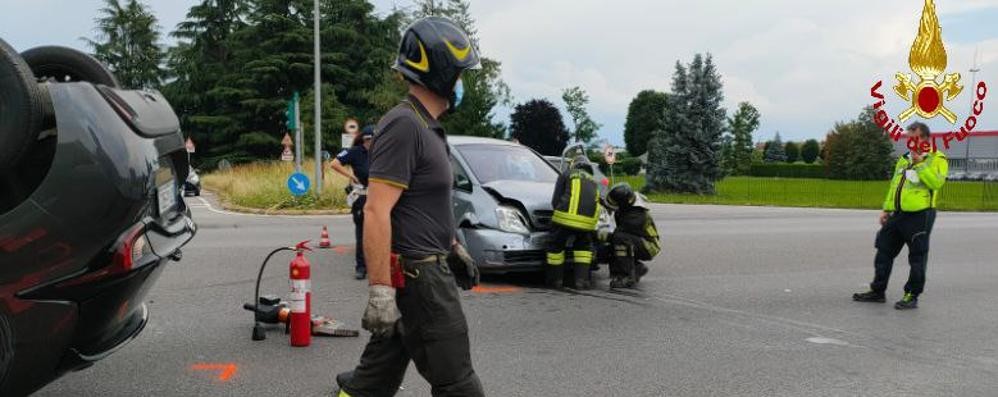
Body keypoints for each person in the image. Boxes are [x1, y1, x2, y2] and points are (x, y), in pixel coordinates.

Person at [335, 17, 484, 397]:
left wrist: (452, 245)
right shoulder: (404, 125)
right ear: (442, 72)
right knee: (458, 385)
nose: (463, 82)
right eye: (461, 73)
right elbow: (376, 210)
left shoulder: (428, 127)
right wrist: (381, 291)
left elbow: (425, 202)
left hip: (428, 268)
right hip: (420, 279)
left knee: (373, 380)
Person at [853, 122, 948, 310]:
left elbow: (936, 183)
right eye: (908, 138)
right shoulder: (904, 159)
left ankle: (911, 295)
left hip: (921, 214)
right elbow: (895, 186)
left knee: (917, 257)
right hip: (898, 214)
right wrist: (886, 209)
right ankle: (878, 291)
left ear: (926, 138)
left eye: (915, 137)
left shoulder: (938, 158)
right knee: (883, 250)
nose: (911, 142)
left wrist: (920, 163)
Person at [546, 155, 601, 290]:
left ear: (573, 165)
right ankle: (581, 281)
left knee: (555, 247)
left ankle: (556, 280)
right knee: (583, 249)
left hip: (564, 219)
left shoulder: (567, 174)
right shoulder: (594, 180)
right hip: (587, 223)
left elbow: (555, 200)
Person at [331, 126, 374, 280]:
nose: (371, 142)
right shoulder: (355, 152)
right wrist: (351, 176)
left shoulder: (382, 152)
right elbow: (334, 163)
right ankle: (361, 267)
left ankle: (378, 265)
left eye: (374, 139)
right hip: (362, 197)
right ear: (363, 139)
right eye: (368, 139)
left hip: (379, 197)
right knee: (362, 234)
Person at [603, 183, 661, 289]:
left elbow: (617, 235)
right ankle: (636, 268)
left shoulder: (636, 215)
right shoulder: (629, 205)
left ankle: (627, 277)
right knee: (615, 242)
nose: (612, 205)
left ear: (623, 203)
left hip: (649, 246)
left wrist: (598, 234)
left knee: (619, 239)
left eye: (614, 203)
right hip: (639, 240)